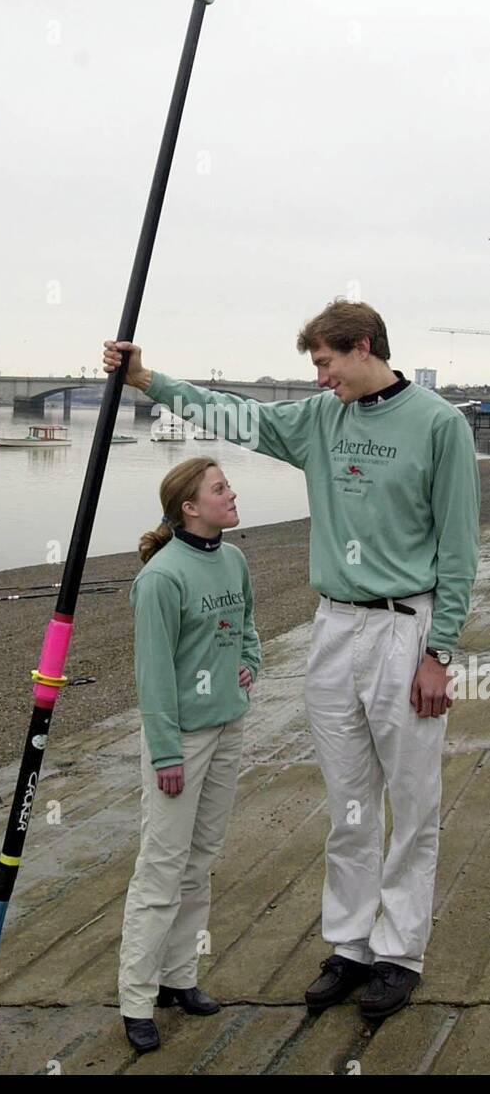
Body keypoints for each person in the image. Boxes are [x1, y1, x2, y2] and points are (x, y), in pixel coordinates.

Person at [104, 299, 480, 1022]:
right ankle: (349, 946)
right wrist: (148, 379)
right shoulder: (318, 422)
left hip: (407, 626)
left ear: (362, 346)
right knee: (347, 802)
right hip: (334, 628)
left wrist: (440, 653)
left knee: (413, 802)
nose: (318, 378)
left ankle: (399, 952)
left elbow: (459, 550)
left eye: (324, 362)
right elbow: (231, 414)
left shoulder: (438, 424)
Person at [118, 456, 261, 1053]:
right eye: (219, 489)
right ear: (189, 508)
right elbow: (152, 679)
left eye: (227, 485)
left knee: (201, 862)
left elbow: (248, 624)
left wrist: (250, 660)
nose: (232, 495)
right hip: (181, 743)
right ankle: (135, 998)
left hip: (227, 729)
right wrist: (166, 754)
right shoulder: (161, 578)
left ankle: (180, 977)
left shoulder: (234, 559)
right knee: (161, 868)